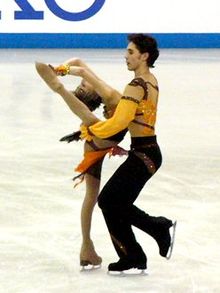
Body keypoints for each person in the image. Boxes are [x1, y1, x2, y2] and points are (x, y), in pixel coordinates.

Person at [36, 34, 176, 273]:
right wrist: (60, 70)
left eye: (131, 52)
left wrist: (92, 130)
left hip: (145, 155)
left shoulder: (135, 86)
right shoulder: (150, 80)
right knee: (111, 202)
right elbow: (84, 73)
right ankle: (133, 255)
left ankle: (158, 228)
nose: (125, 55)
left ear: (144, 56)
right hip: (145, 152)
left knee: (109, 201)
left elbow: (118, 122)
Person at [35, 59, 127, 269]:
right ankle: (87, 245)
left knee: (91, 196)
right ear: (93, 94)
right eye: (84, 85)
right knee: (84, 115)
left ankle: (87, 247)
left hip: (98, 141)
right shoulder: (110, 97)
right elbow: (82, 69)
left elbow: (78, 63)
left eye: (83, 84)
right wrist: (58, 75)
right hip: (101, 136)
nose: (84, 81)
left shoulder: (104, 92)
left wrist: (59, 69)